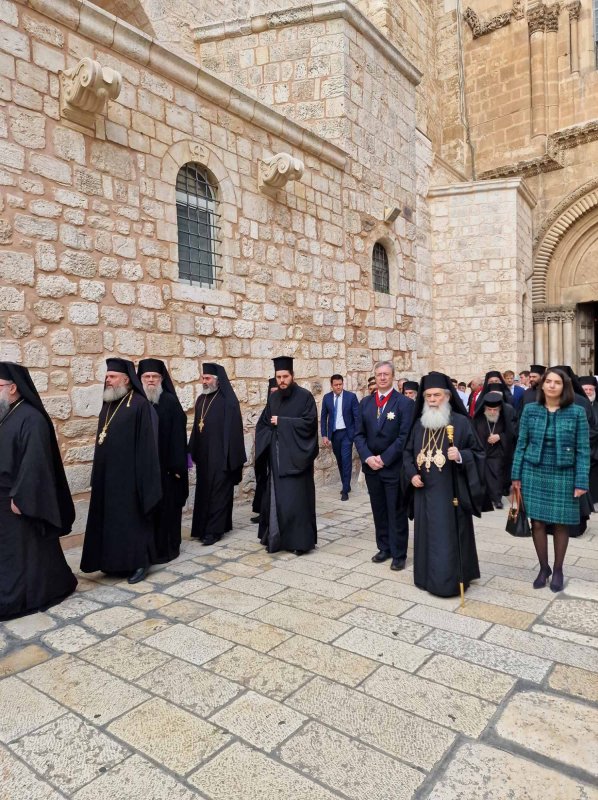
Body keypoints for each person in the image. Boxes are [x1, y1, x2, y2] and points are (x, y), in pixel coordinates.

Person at [0, 363, 77, 620]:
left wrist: (21, 497)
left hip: (18, 500)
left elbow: (36, 462)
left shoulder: (31, 418)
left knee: (25, 553)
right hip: (5, 497)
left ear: (13, 388)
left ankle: (27, 596)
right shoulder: (7, 414)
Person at [403, 372, 485, 597]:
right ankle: (425, 578)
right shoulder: (419, 424)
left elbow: (478, 454)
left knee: (447, 538)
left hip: (450, 493)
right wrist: (411, 474)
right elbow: (407, 453)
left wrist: (460, 455)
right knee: (426, 536)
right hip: (423, 493)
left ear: (447, 396)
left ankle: (449, 582)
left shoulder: (460, 422)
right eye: (428, 395)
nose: (431, 399)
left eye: (436, 395)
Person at [81, 358, 162, 584]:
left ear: (126, 379)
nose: (108, 380)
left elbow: (147, 446)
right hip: (108, 477)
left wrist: (143, 480)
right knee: (111, 521)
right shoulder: (108, 404)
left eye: (113, 376)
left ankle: (139, 562)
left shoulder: (139, 405)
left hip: (131, 478)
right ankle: (113, 562)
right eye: (107, 376)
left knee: (132, 521)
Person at [511, 367, 589, 592]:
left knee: (561, 523)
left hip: (564, 473)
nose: (552, 385)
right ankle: (543, 568)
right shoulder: (530, 410)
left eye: (557, 382)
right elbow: (521, 443)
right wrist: (516, 475)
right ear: (542, 385)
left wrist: (581, 481)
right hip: (533, 471)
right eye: (548, 381)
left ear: (564, 387)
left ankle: (558, 569)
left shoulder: (576, 413)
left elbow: (583, 450)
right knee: (537, 522)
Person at [255, 356, 318, 554]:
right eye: (278, 377)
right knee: (279, 501)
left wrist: (282, 422)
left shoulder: (305, 396)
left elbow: (309, 425)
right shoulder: (273, 398)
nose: (281, 380)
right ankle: (278, 538)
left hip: (297, 460)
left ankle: (300, 543)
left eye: (285, 376)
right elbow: (265, 423)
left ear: (292, 376)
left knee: (298, 502)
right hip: (277, 459)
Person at [354, 360, 413, 570]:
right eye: (378, 374)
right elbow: (358, 434)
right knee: (378, 509)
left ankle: (399, 553)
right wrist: (368, 457)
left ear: (393, 376)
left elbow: (404, 436)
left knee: (396, 510)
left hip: (392, 467)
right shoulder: (366, 404)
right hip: (371, 467)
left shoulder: (404, 403)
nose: (382, 377)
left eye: (386, 374)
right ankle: (384, 547)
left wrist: (384, 458)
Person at [138, 358, 189, 563]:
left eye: (155, 377)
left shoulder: (169, 401)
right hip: (145, 470)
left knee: (167, 511)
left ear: (161, 379)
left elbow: (179, 438)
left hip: (168, 470)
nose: (151, 380)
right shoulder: (137, 402)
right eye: (146, 377)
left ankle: (168, 549)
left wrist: (180, 467)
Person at [189, 363, 246, 545]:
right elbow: (196, 430)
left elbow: (235, 432)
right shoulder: (200, 400)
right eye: (203, 378)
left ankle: (215, 531)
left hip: (222, 457)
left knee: (219, 494)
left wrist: (230, 459)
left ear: (217, 380)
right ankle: (201, 527)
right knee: (204, 492)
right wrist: (191, 452)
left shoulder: (228, 401)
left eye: (208, 379)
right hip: (204, 458)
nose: (204, 382)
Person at [473, 390, 517, 509]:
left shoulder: (504, 419)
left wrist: (499, 436)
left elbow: (512, 433)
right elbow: (472, 434)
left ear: (500, 409)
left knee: (496, 475)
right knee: (481, 476)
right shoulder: (478, 419)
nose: (492, 412)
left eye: (495, 410)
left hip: (497, 452)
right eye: (489, 409)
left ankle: (497, 499)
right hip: (481, 452)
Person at [321, 374, 360, 500]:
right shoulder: (326, 398)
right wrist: (324, 435)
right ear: (331, 386)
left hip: (347, 434)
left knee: (346, 459)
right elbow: (323, 417)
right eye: (336, 385)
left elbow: (357, 417)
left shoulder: (351, 397)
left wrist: (355, 433)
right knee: (340, 460)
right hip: (334, 434)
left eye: (340, 384)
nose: (338, 387)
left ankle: (345, 489)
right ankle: (346, 483)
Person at [251, 378, 278, 524]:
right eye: (271, 392)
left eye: (276, 392)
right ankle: (263, 512)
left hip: (279, 454)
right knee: (264, 483)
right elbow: (261, 428)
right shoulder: (267, 409)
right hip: (265, 453)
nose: (273, 395)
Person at [580, 376, 598, 506]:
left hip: (595, 447)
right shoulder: (577, 405)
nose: (587, 391)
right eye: (585, 389)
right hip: (581, 446)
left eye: (590, 389)